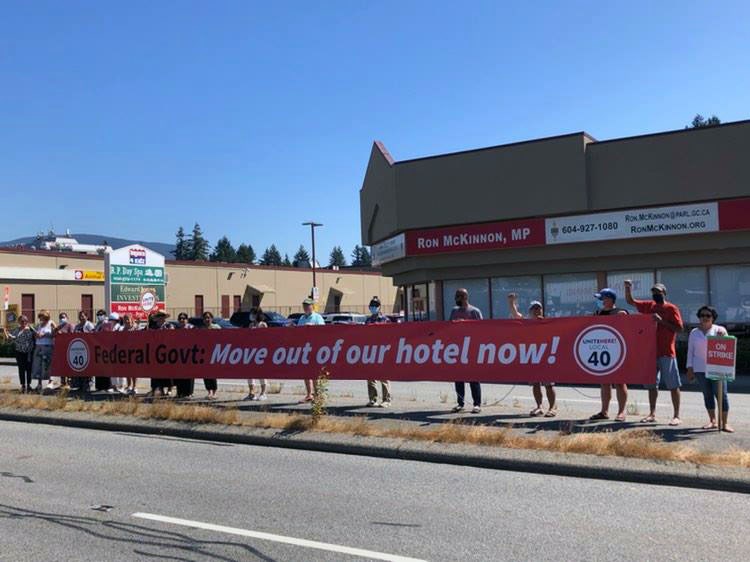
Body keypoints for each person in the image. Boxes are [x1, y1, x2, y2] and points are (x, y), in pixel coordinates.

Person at [625, 280, 684, 426]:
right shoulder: (649, 306)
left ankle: (676, 415)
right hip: (650, 352)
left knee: (673, 384)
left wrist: (661, 321)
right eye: (654, 292)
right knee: (651, 385)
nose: (656, 294)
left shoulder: (671, 308)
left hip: (666, 352)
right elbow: (630, 301)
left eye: (658, 292)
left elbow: (679, 329)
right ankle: (652, 413)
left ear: (664, 293)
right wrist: (628, 288)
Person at [508, 293, 556, 417]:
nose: (537, 310)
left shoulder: (547, 322)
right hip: (532, 356)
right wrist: (511, 302)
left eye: (539, 308)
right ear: (530, 311)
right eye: (534, 308)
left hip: (545, 357)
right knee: (535, 383)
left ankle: (552, 408)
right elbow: (515, 315)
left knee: (548, 384)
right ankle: (539, 407)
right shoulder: (526, 323)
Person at [686, 306, 733, 432]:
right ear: (699, 317)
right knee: (707, 395)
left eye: (708, 315)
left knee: (722, 395)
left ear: (713, 317)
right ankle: (712, 421)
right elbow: (690, 351)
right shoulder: (694, 332)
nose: (705, 318)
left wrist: (723, 337)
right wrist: (689, 368)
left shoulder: (720, 330)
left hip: (717, 369)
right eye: (702, 315)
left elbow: (727, 348)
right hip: (700, 369)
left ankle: (725, 423)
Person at [589, 288, 629, 422]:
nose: (600, 301)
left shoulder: (621, 312)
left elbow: (630, 328)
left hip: (617, 350)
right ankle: (604, 411)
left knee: (620, 382)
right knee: (604, 383)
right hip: (601, 349)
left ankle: (621, 412)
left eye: (602, 298)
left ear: (610, 299)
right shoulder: (597, 313)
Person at [450, 288, 482, 414]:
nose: (456, 299)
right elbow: (449, 327)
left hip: (471, 349)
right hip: (457, 349)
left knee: (473, 378)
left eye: (458, 296)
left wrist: (466, 325)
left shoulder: (474, 311)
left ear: (464, 297)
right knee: (458, 378)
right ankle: (460, 403)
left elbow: (482, 329)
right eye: (455, 296)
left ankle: (477, 404)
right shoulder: (454, 311)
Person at [364, 296, 392, 407]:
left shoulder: (385, 320)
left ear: (379, 307)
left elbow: (390, 335)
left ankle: (386, 400)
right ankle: (373, 399)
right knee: (370, 376)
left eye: (376, 305)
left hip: (383, 351)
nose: (373, 307)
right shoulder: (368, 320)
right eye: (372, 305)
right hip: (370, 351)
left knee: (384, 377)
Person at [296, 297, 325, 402]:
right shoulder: (302, 318)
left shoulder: (317, 317)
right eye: (304, 306)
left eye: (307, 305)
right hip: (305, 349)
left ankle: (317, 394)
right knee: (306, 373)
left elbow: (324, 330)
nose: (305, 307)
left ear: (312, 306)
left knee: (315, 373)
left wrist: (313, 326)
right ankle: (309, 394)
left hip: (315, 349)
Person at [2, 315, 35, 393]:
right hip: (19, 352)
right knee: (21, 369)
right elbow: (11, 338)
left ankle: (29, 385)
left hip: (29, 352)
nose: (23, 322)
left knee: (29, 369)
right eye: (21, 321)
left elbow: (37, 336)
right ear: (19, 322)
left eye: (24, 321)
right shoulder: (16, 330)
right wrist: (6, 332)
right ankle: (23, 385)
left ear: (27, 322)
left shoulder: (30, 329)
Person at [147, 310, 174, 397]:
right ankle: (158, 389)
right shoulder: (153, 327)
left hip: (167, 351)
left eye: (162, 316)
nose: (161, 317)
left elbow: (173, 336)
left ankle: (169, 389)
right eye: (159, 316)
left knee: (168, 371)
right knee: (155, 371)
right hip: (156, 352)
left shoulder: (169, 326)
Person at [246, 307, 269, 401]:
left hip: (261, 351)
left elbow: (267, 337)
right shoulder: (250, 324)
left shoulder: (263, 324)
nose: (251, 315)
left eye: (253, 313)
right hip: (251, 351)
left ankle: (263, 393)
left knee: (261, 373)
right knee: (250, 373)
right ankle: (251, 392)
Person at [70, 311, 95, 392]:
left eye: (83, 316)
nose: (81, 317)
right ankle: (79, 385)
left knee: (87, 369)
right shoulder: (77, 326)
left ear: (86, 317)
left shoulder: (89, 325)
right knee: (79, 368)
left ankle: (87, 385)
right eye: (80, 316)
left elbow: (93, 334)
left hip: (87, 349)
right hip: (78, 349)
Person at [32, 310, 56, 392]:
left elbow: (55, 333)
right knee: (38, 365)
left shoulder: (51, 323)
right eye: (40, 317)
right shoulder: (39, 325)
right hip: (38, 346)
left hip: (48, 346)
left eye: (42, 317)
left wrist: (45, 335)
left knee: (47, 364)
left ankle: (50, 382)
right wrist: (37, 335)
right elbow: (35, 335)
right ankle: (39, 384)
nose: (41, 319)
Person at [51, 312, 75, 389]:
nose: (62, 319)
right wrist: (55, 331)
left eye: (63, 317)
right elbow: (53, 335)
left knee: (68, 366)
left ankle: (69, 382)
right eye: (60, 317)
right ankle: (62, 382)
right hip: (59, 349)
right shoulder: (58, 327)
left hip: (67, 349)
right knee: (61, 366)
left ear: (67, 318)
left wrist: (62, 334)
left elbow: (72, 336)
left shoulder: (70, 325)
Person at [174, 312, 195, 398]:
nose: (182, 320)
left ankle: (189, 392)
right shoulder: (176, 329)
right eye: (180, 318)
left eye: (183, 318)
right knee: (179, 374)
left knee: (189, 374)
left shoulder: (192, 328)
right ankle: (179, 392)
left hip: (189, 354)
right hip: (178, 354)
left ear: (187, 319)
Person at [200, 311, 221, 399]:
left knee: (213, 374)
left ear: (212, 318)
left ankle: (214, 392)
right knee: (205, 374)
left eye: (208, 317)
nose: (207, 319)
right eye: (205, 318)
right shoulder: (201, 329)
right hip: (204, 354)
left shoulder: (216, 328)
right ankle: (209, 392)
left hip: (214, 353)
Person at [121, 314, 140, 395]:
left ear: (131, 319)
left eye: (128, 319)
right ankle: (129, 386)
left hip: (135, 352)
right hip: (126, 352)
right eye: (125, 320)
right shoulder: (123, 329)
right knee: (127, 370)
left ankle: (135, 386)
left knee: (134, 371)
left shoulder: (136, 328)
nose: (126, 321)